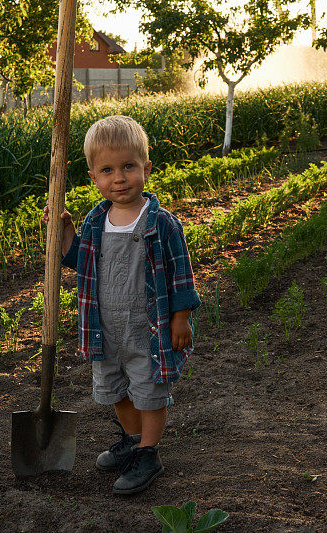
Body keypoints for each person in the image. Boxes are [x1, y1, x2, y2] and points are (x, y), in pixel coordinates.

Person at [42, 115, 201, 495]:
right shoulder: (97, 221)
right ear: (93, 177)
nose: (119, 178)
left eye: (129, 167)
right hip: (105, 327)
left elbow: (181, 274)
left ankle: (149, 452)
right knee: (116, 388)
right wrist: (64, 232)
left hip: (149, 328)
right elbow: (80, 260)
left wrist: (181, 318)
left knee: (148, 389)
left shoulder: (161, 222)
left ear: (146, 168)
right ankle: (132, 440)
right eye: (108, 170)